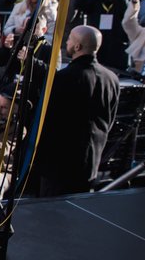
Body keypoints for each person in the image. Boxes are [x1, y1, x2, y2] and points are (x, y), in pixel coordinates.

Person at [32, 25, 120, 197]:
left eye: (70, 38)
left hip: (60, 166)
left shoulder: (66, 78)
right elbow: (110, 119)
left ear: (78, 46)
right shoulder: (112, 78)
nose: (67, 41)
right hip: (90, 162)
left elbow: (51, 121)